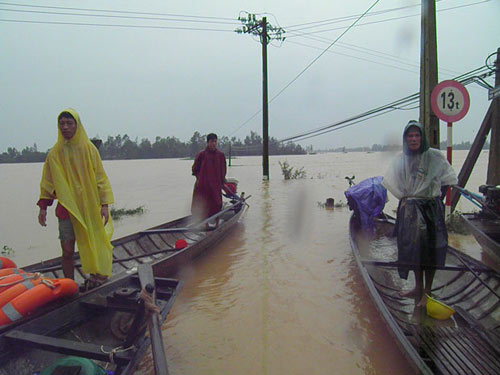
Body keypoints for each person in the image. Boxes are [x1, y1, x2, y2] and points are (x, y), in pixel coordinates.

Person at [382, 120, 457, 306]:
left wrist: (435, 200)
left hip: (430, 209)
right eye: (410, 136)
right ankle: (417, 287)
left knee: (431, 249)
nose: (413, 139)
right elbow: (391, 180)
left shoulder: (434, 156)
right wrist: (406, 199)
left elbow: (449, 178)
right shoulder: (401, 159)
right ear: (405, 139)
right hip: (410, 211)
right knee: (413, 250)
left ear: (422, 138)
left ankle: (428, 292)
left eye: (417, 135)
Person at [37, 109, 114, 286]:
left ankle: (98, 275)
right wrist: (43, 207)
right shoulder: (55, 154)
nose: (65, 127)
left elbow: (100, 178)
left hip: (89, 206)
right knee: (67, 249)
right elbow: (47, 182)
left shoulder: (89, 150)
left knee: (93, 243)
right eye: (61, 123)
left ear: (77, 125)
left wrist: (104, 204)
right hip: (66, 209)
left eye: (69, 123)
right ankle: (69, 284)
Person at [191, 133, 228, 224]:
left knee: (217, 204)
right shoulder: (201, 155)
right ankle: (205, 225)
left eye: (215, 141)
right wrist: (200, 179)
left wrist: (222, 181)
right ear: (207, 143)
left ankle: (216, 223)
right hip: (203, 186)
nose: (214, 144)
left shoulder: (220, 155)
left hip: (216, 186)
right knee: (204, 206)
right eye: (211, 141)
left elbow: (223, 170)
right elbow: (195, 169)